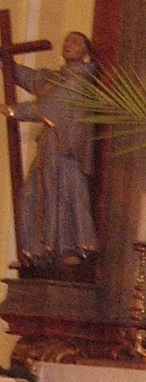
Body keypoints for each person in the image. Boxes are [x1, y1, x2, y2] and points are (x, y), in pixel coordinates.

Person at [3, 30, 99, 269]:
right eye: (66, 40)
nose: (68, 44)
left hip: (67, 152)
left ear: (86, 53)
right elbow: (32, 79)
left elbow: (51, 105)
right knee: (31, 195)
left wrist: (14, 111)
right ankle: (37, 251)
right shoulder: (58, 77)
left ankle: (70, 249)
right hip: (49, 149)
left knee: (66, 196)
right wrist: (6, 62)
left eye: (75, 42)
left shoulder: (81, 80)